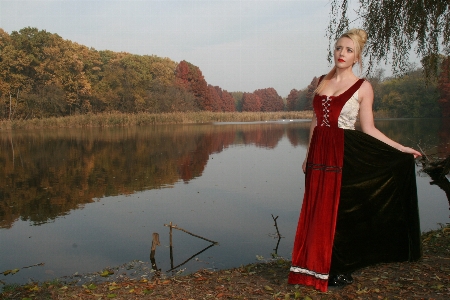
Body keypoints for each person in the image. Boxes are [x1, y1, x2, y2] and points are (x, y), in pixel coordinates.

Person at [288, 28, 422, 292]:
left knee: (341, 212)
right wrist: (307, 155)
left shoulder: (363, 87)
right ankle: (314, 266)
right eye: (339, 48)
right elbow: (315, 121)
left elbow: (369, 129)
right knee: (317, 209)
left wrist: (401, 148)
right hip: (319, 154)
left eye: (349, 50)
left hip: (345, 153)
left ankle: (339, 268)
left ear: (357, 58)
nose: (342, 53)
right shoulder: (323, 82)